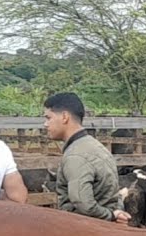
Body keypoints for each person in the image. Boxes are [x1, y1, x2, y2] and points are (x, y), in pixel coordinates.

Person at [43, 92, 131, 224]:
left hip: (84, 229)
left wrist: (110, 215)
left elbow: (82, 203)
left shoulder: (76, 155)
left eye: (48, 117)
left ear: (65, 117)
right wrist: (113, 213)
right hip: (107, 227)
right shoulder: (97, 147)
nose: (45, 124)